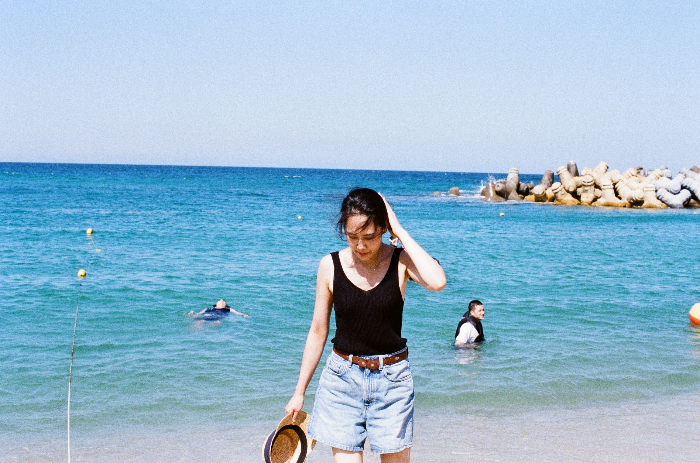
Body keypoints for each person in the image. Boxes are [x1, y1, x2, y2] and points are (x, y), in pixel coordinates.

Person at [285, 187, 446, 463]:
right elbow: (318, 330)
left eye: (369, 237)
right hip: (341, 381)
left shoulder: (400, 261)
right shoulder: (329, 265)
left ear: (383, 228)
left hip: (392, 382)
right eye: (352, 237)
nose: (360, 246)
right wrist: (299, 393)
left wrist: (400, 231)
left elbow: (437, 281)